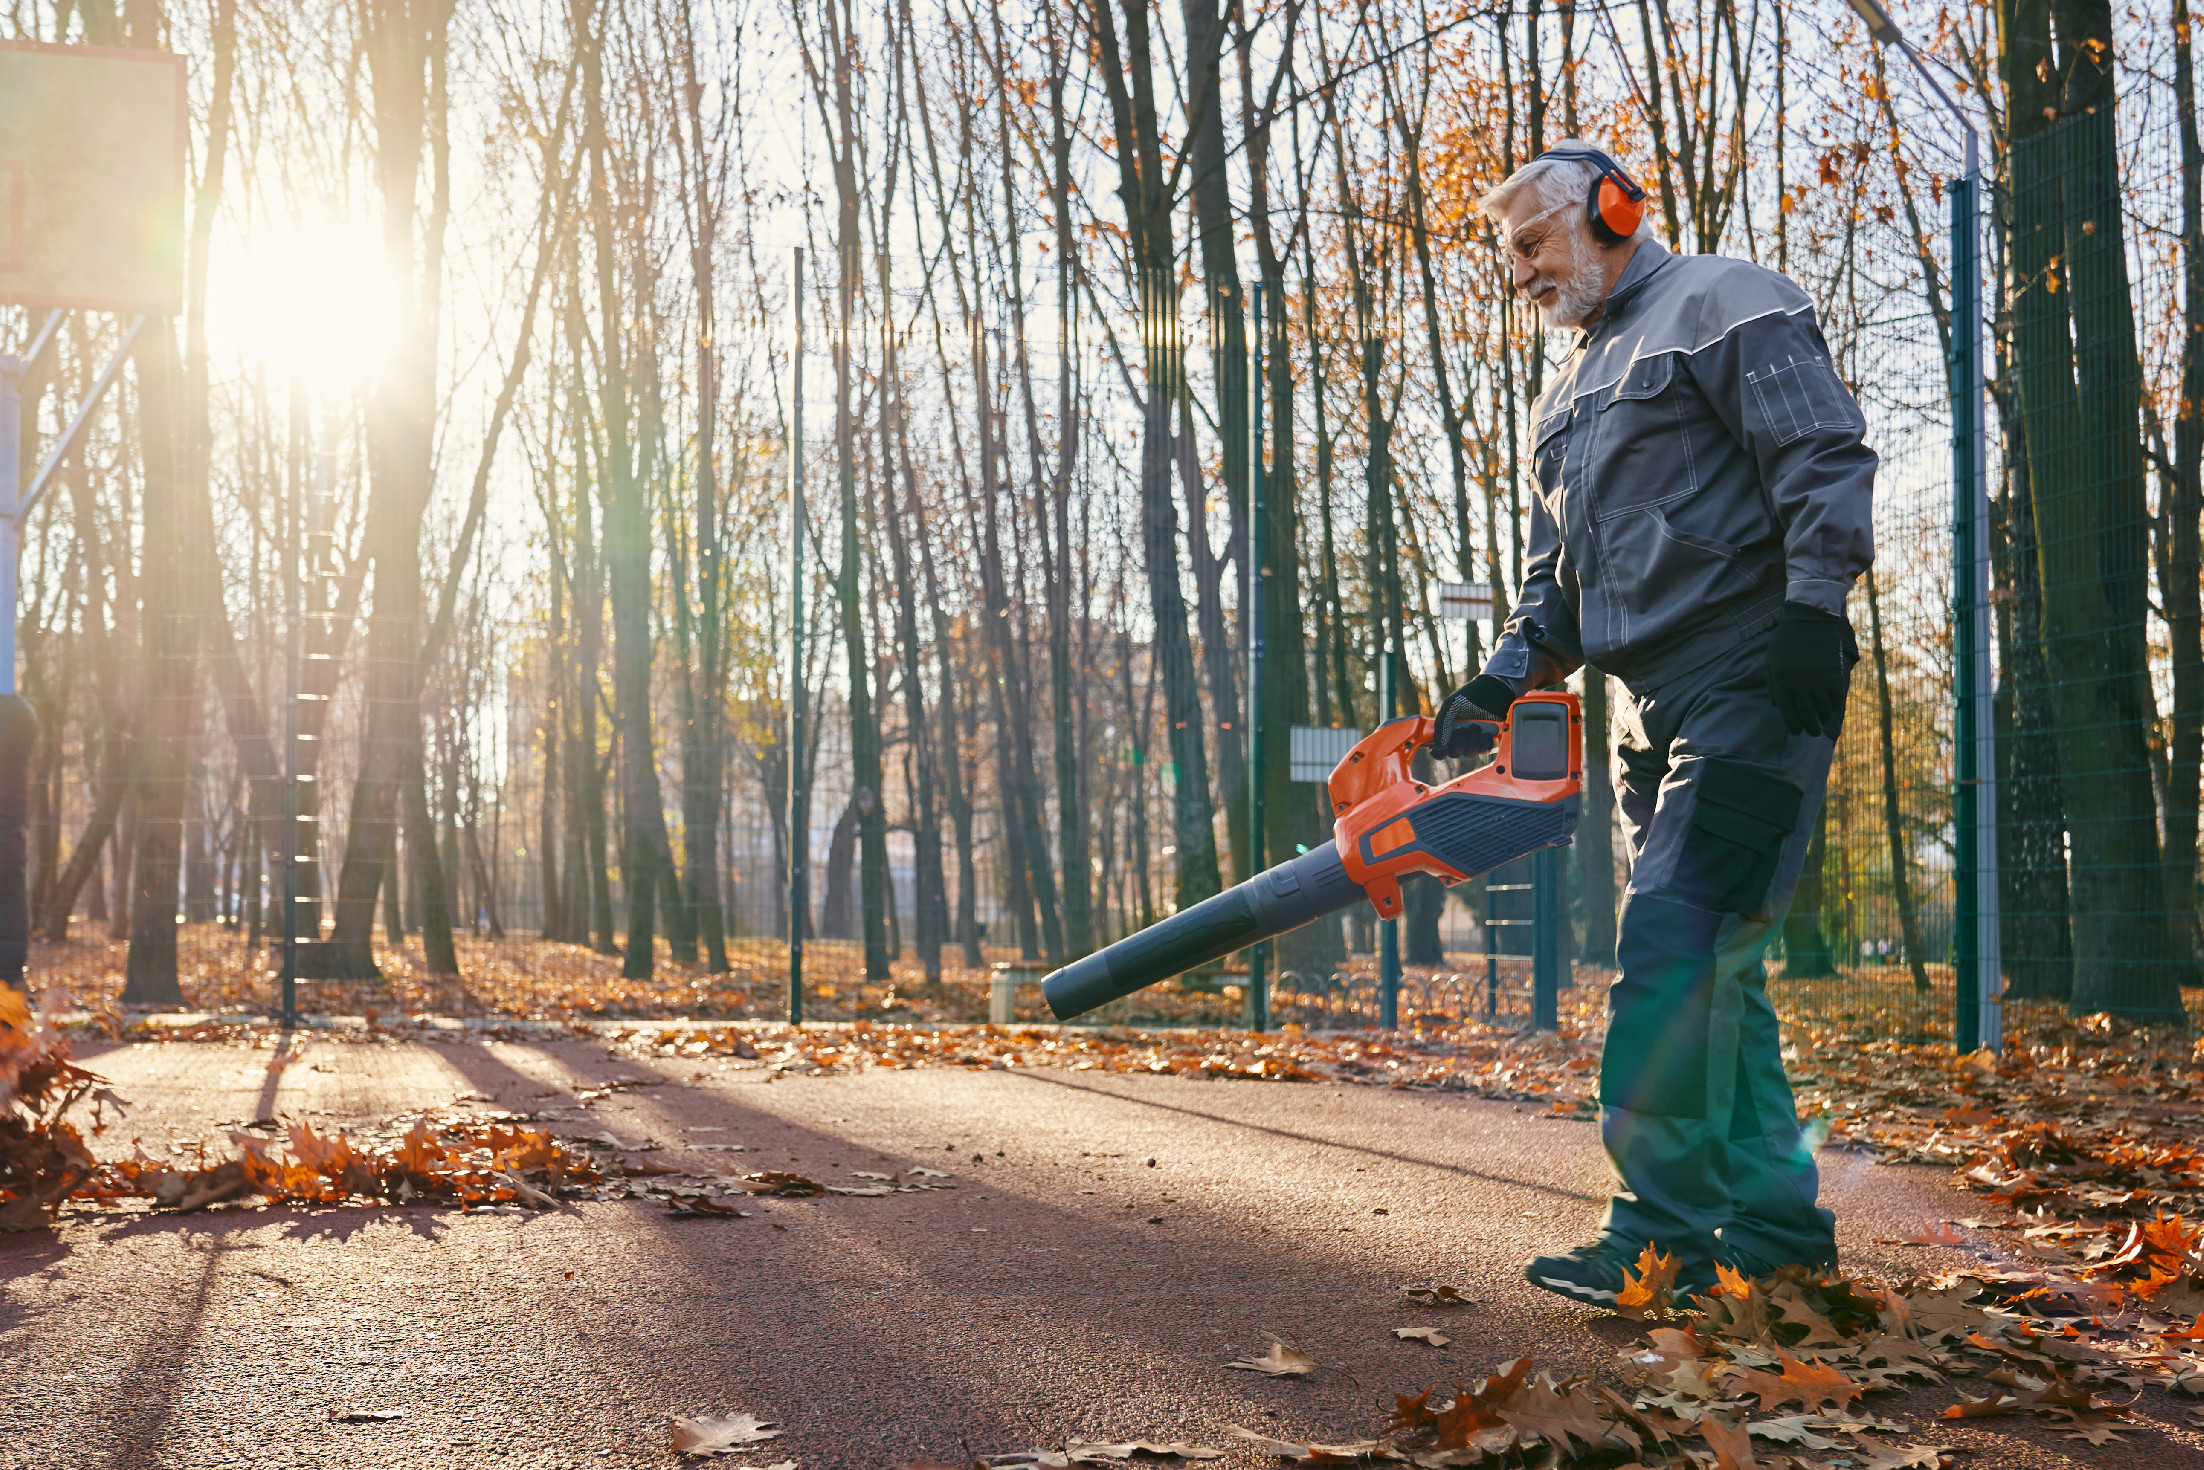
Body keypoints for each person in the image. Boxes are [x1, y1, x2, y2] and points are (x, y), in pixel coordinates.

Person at [1434, 142, 1875, 1307]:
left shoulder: (1724, 302)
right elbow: (1556, 580)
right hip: (1646, 704)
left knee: (1672, 950)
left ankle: (1661, 1237)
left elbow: (1820, 452)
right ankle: (1774, 1228)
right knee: (1718, 961)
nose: (1518, 269)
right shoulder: (1562, 392)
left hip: (1751, 678)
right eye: (1508, 252)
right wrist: (1496, 682)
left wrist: (1814, 609)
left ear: (1613, 211)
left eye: (1533, 241)